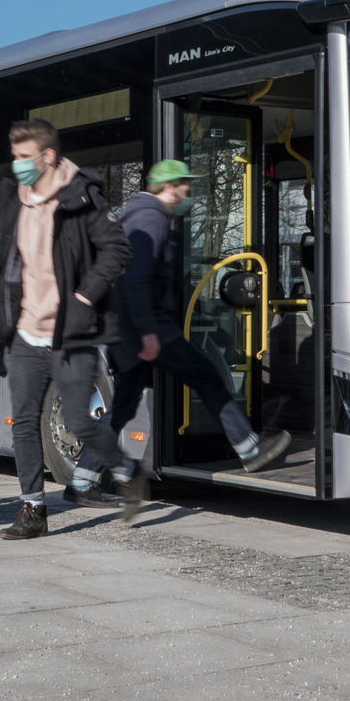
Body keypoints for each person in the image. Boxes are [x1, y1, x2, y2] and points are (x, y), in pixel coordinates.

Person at [75, 159, 291, 487]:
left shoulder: (142, 216)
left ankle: (81, 480)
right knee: (206, 376)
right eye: (185, 185)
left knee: (122, 407)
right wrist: (149, 333)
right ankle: (249, 449)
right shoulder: (150, 218)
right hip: (150, 330)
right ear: (170, 187)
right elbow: (135, 281)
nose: (189, 191)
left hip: (132, 330)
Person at [0, 118, 141, 539]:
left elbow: (117, 248)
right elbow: (9, 263)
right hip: (25, 332)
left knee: (79, 420)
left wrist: (84, 297)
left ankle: (127, 469)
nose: (16, 165)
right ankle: (32, 510)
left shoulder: (81, 197)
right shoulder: (14, 200)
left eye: (23, 157)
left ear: (48, 156)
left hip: (71, 332)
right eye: (14, 156)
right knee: (22, 422)